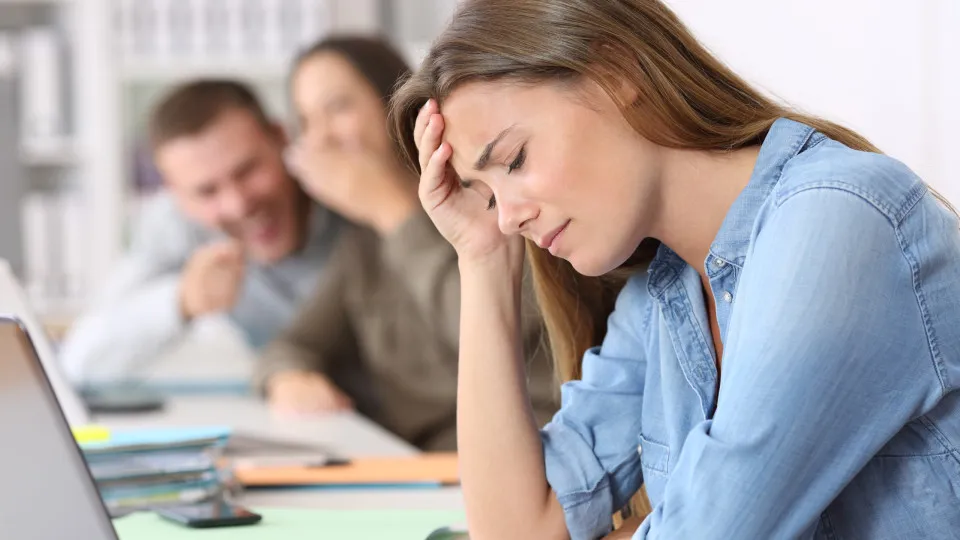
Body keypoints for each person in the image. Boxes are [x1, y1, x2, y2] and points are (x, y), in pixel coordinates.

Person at [388, 0, 960, 538]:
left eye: (514, 160)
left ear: (616, 73)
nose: (508, 217)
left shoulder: (837, 217)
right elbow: (517, 529)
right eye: (488, 195)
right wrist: (484, 256)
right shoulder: (661, 297)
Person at [253, 36, 558, 451]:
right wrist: (287, 377)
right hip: (423, 463)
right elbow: (293, 344)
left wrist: (393, 212)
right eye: (306, 121)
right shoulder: (362, 240)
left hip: (531, 449)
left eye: (338, 108)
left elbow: (489, 325)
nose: (321, 139)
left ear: (396, 102)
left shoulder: (490, 194)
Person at [60, 80, 343, 384]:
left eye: (247, 170)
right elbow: (80, 361)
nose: (237, 205)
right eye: (207, 191)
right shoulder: (175, 223)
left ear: (280, 137)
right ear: (176, 194)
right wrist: (181, 300)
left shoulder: (347, 197)